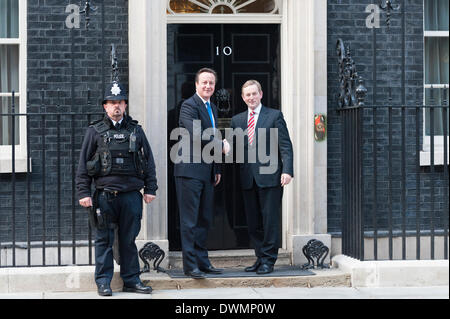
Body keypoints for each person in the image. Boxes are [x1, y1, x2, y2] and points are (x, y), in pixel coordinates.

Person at [76, 81, 158, 296]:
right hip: (105, 196)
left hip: (131, 196)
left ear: (125, 105)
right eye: (112, 102)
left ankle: (131, 280)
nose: (116, 106)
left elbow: (148, 161)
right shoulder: (94, 132)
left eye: (120, 102)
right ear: (105, 106)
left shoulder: (136, 130)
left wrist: (151, 188)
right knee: (104, 240)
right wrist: (83, 192)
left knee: (128, 240)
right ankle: (103, 282)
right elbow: (83, 164)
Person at [229, 80, 294, 275]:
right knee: (253, 222)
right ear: (243, 97)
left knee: (270, 220)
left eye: (254, 94)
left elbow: (286, 146)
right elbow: (233, 148)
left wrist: (287, 170)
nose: (251, 98)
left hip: (271, 177)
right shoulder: (237, 120)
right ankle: (260, 257)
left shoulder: (274, 116)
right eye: (247, 95)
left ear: (261, 94)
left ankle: (269, 260)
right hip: (248, 178)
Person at [173, 68, 229, 279]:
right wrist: (220, 145)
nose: (208, 86)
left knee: (204, 219)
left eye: (211, 83)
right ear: (196, 84)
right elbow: (196, 135)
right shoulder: (188, 106)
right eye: (204, 82)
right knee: (189, 220)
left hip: (206, 172)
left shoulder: (212, 107)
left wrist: (216, 168)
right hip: (189, 170)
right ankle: (190, 266)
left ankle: (203, 262)